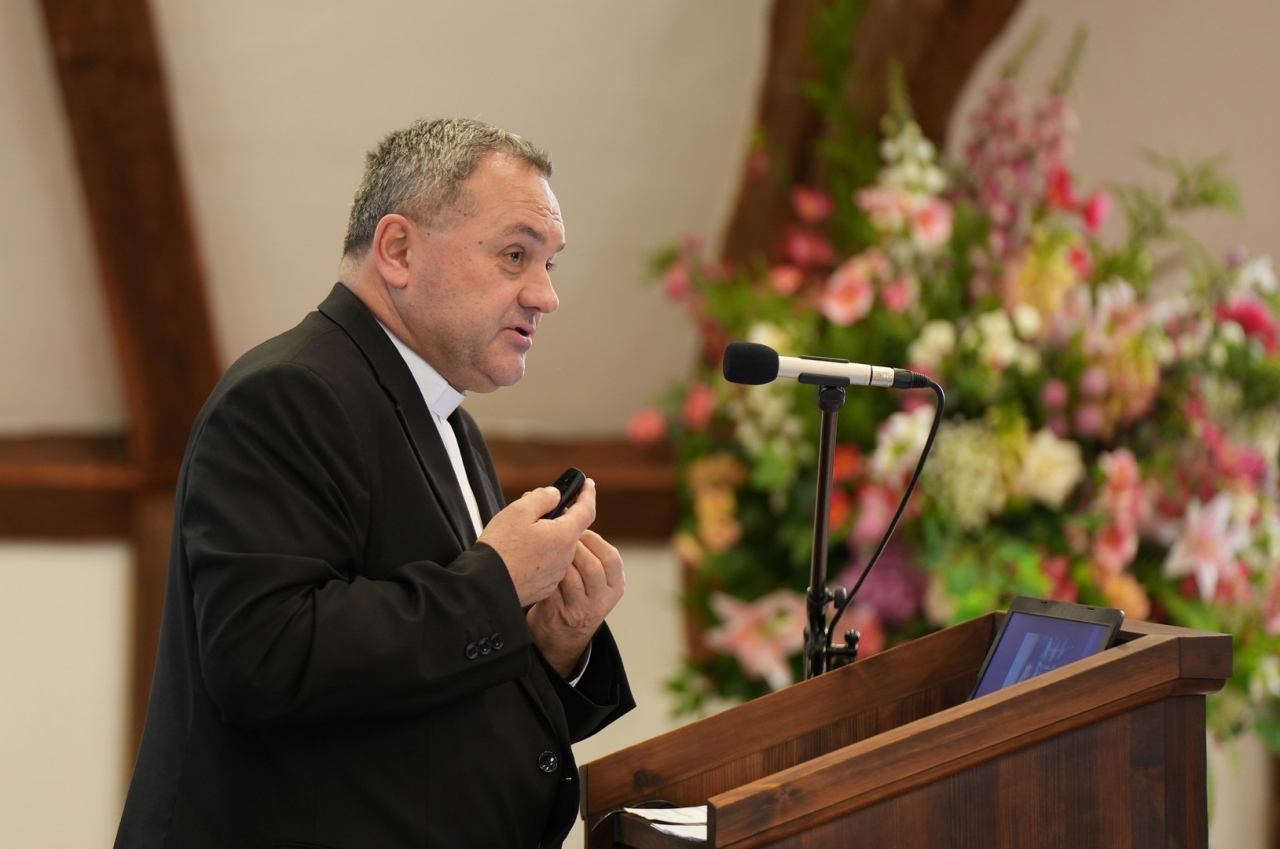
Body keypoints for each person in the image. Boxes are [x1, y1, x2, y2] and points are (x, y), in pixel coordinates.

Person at [114, 118, 634, 849]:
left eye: (550, 263)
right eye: (515, 255)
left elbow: (425, 685)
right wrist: (497, 581)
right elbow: (264, 655)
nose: (545, 295)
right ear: (398, 250)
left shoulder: (449, 420)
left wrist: (549, 642)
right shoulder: (288, 393)